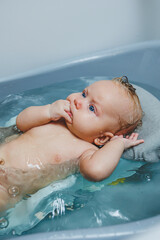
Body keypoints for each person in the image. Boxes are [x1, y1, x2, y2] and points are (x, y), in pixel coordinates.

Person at [0, 76, 144, 213]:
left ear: (102, 138)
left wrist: (117, 144)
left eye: (92, 108)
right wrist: (48, 110)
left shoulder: (86, 151)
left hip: (7, 187)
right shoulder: (55, 117)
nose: (78, 101)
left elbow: (96, 172)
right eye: (83, 94)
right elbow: (21, 122)